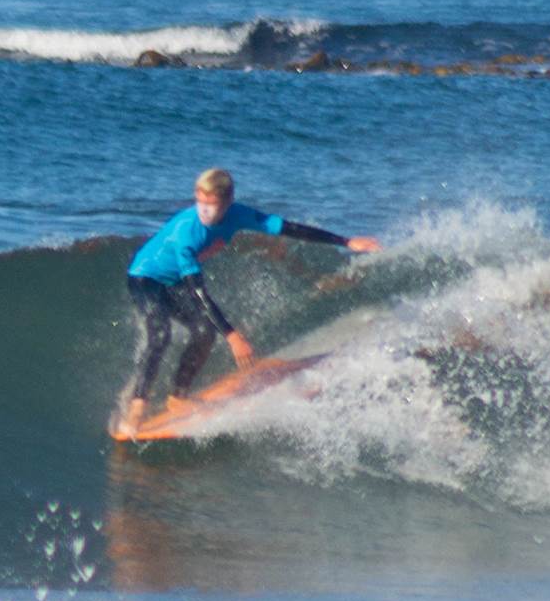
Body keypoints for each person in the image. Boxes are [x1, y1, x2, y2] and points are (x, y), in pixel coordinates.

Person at [114, 167, 378, 436]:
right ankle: (137, 408)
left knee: (204, 332)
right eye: (200, 203)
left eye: (211, 206)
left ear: (228, 202)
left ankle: (178, 397)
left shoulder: (239, 214)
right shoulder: (187, 233)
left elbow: (289, 228)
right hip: (145, 278)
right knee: (160, 334)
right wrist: (232, 336)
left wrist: (346, 241)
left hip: (174, 280)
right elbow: (198, 291)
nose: (204, 212)